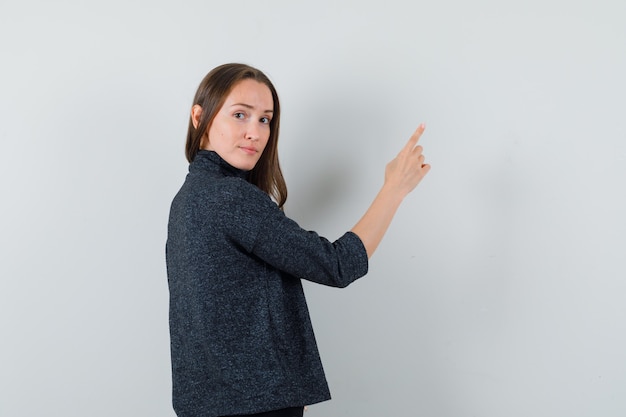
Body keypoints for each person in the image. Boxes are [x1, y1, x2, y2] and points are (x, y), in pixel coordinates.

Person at [166, 63, 430, 417]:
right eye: (240, 115)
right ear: (199, 117)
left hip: (210, 404)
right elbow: (337, 265)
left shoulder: (187, 199)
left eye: (265, 119)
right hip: (256, 404)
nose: (255, 133)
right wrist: (394, 189)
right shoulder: (232, 199)